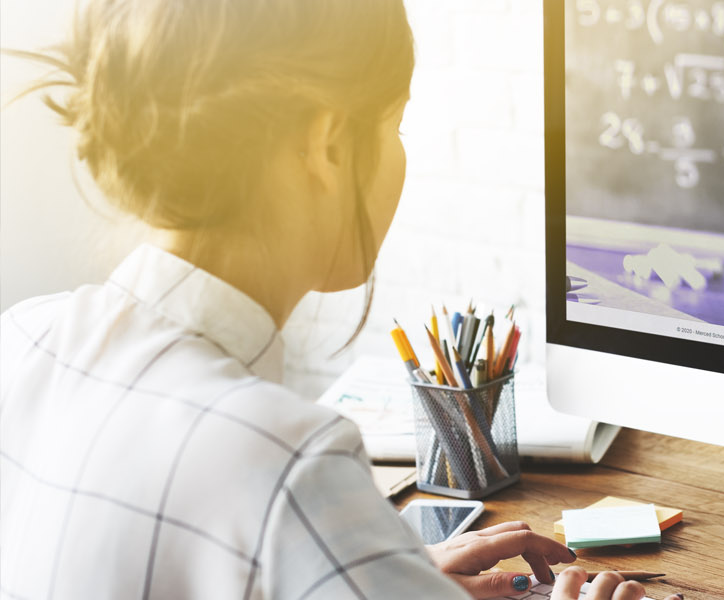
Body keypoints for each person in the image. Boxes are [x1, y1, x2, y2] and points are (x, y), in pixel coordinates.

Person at [0, 1, 677, 599]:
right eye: (395, 126)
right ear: (326, 144)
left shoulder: (22, 339)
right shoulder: (286, 460)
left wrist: (374, 570)